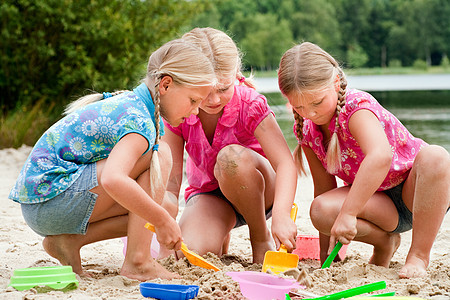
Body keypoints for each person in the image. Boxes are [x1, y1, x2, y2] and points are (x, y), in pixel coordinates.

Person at [9, 38, 217, 281]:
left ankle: (69, 242)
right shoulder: (139, 121)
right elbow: (113, 178)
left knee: (165, 206)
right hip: (50, 200)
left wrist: (162, 215)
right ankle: (138, 261)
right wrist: (160, 221)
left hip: (44, 205)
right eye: (193, 100)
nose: (195, 111)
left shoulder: (136, 105)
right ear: (166, 85)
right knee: (159, 158)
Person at [278, 41, 450, 278]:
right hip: (379, 206)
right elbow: (323, 188)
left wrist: (348, 214)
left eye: (317, 102)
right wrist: (325, 255)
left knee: (437, 156)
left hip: (417, 193)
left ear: (336, 83)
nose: (311, 113)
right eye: (300, 107)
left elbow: (380, 156)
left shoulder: (356, 107)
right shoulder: (307, 130)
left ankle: (418, 256)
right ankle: (385, 243)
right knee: (320, 210)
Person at [161, 27, 298, 264]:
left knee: (230, 159)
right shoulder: (176, 112)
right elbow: (171, 183)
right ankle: (219, 230)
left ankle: (259, 236)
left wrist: (282, 215)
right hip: (211, 194)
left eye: (223, 89)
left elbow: (286, 164)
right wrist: (165, 225)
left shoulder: (250, 104)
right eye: (205, 91)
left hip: (261, 189)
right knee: (190, 253)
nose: (213, 100)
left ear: (236, 73)